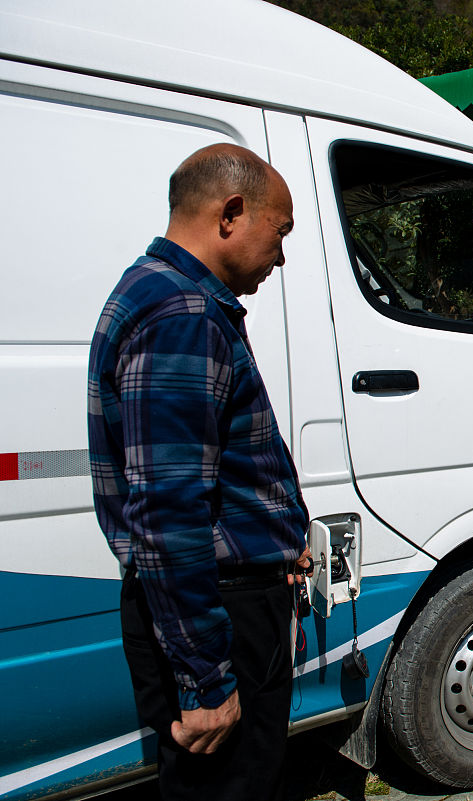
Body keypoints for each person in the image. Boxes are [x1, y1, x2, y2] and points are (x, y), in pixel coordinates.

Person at [88, 143, 310, 801]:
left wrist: (272, 538)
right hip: (223, 618)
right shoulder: (180, 313)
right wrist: (207, 681)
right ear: (233, 212)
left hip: (224, 602)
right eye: (281, 231)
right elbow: (169, 511)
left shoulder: (162, 295)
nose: (282, 256)